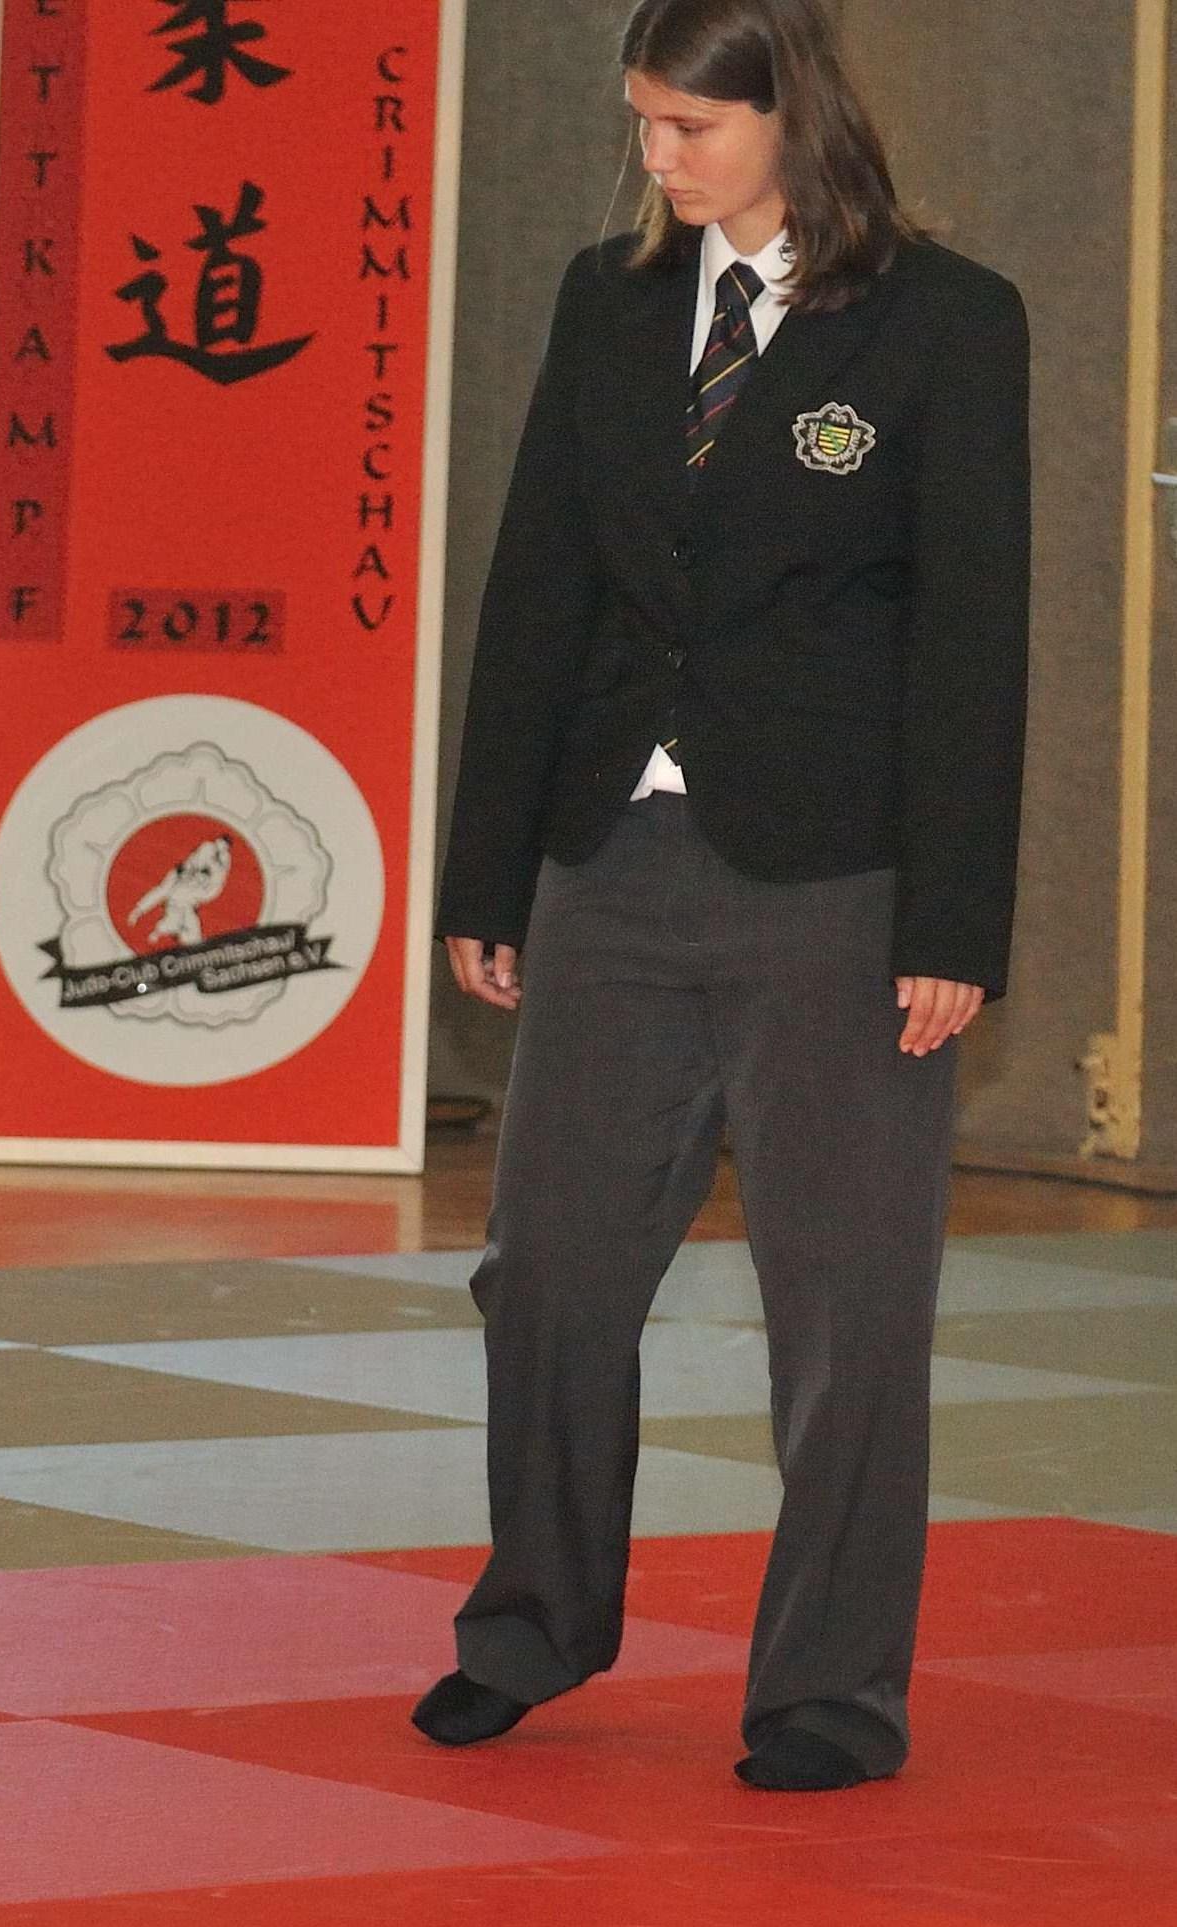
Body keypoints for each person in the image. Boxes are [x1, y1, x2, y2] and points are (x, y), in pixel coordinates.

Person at [418, 0, 1029, 1792]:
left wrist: (952, 923)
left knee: (846, 1309)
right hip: (613, 854)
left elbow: (972, 636)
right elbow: (537, 587)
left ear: (790, 115)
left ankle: (828, 1690)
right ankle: (532, 1624)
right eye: (644, 123)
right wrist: (488, 867)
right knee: (545, 1274)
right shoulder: (606, 304)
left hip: (836, 880)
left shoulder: (944, 319)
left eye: (691, 126)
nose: (659, 159)